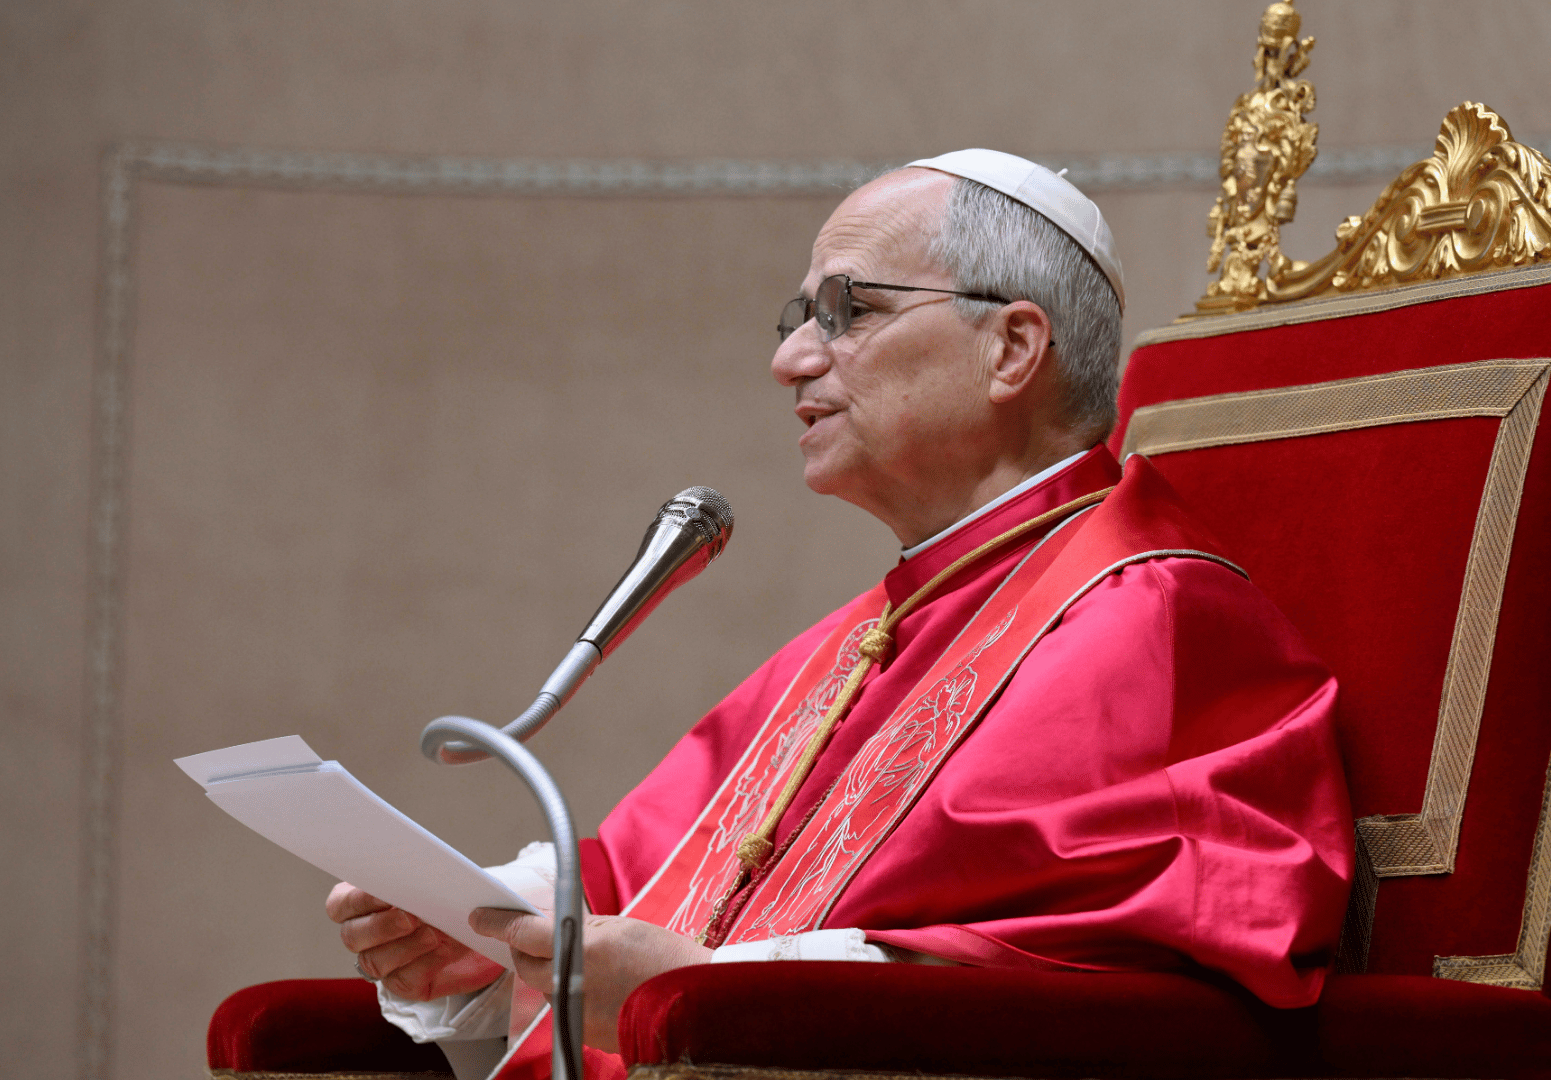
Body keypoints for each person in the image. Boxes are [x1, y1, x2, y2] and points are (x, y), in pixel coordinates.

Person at [326, 149, 1353, 1080]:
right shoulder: (863, 634)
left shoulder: (1152, 614)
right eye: (797, 321)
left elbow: (1100, 982)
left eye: (849, 312)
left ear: (1012, 348)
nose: (793, 361)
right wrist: (488, 929)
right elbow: (647, 879)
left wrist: (707, 995)